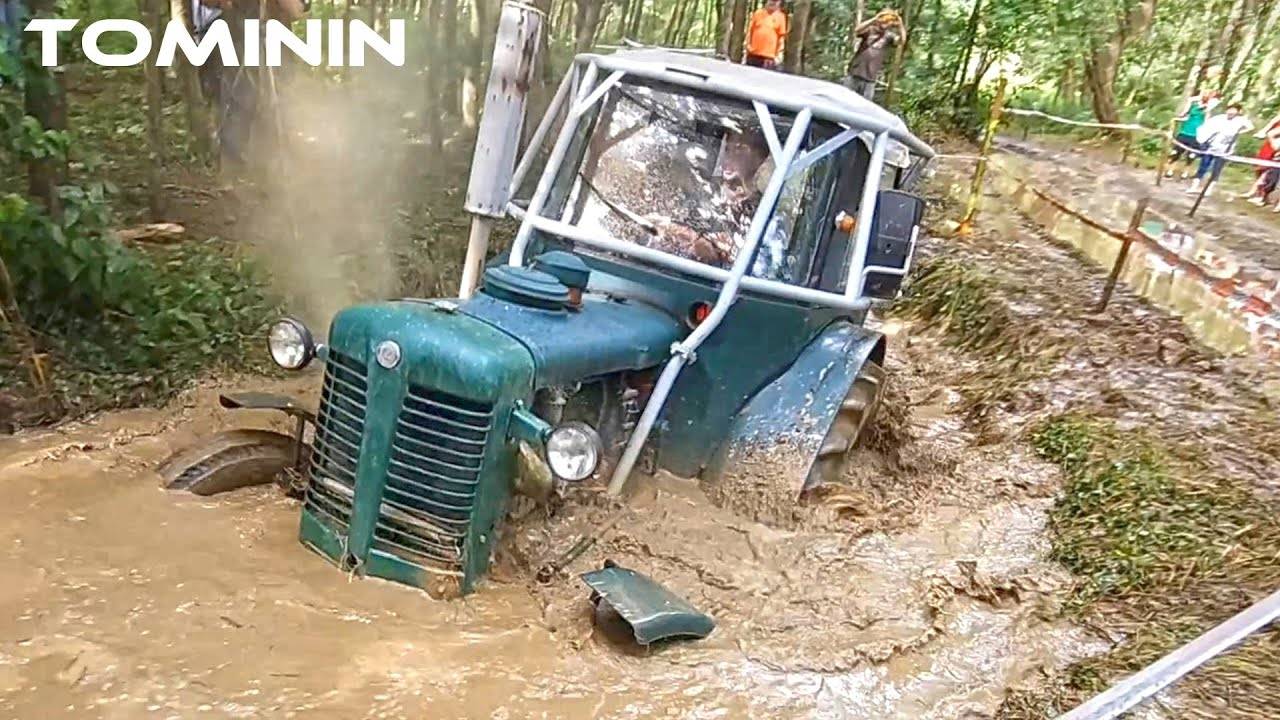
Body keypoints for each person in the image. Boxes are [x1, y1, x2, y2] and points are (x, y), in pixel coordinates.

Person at [1186, 102, 1253, 197]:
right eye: (1230, 109)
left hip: (1224, 150)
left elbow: (1250, 127)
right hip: (1211, 146)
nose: (1231, 112)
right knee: (1203, 166)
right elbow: (1205, 127)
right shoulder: (1219, 118)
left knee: (1216, 170)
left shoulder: (1241, 120)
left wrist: (1239, 132)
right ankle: (1194, 186)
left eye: (1234, 110)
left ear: (1238, 112)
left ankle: (1208, 189)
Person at [843, 8, 905, 101]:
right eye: (885, 20)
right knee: (843, 99)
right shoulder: (870, 30)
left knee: (864, 107)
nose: (886, 23)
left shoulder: (889, 36)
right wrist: (875, 19)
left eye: (889, 22)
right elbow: (857, 30)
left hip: (870, 79)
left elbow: (901, 41)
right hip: (855, 73)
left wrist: (900, 24)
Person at [1167, 90, 1220, 179]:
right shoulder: (1193, 105)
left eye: (1207, 96)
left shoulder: (1208, 109)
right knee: (1176, 152)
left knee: (1191, 155)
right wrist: (1178, 118)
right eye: (1204, 95)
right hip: (1184, 132)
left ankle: (1185, 172)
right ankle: (1170, 171)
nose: (1205, 97)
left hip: (1196, 135)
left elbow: (1208, 119)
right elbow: (1186, 112)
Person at [743, 0, 788, 70]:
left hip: (769, 57)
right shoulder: (758, 13)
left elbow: (781, 38)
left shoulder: (781, 17)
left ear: (779, 3)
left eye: (776, 1)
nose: (773, 3)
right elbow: (750, 31)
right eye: (771, 0)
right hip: (753, 54)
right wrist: (747, 45)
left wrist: (779, 55)